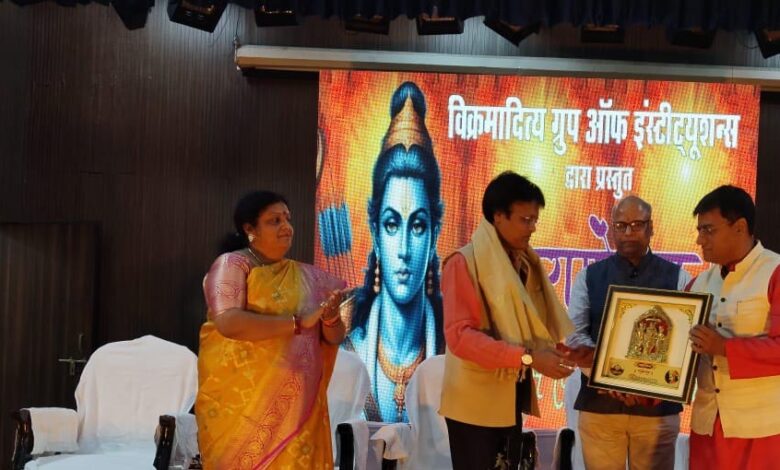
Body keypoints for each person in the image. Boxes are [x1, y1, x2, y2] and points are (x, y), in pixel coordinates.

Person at [196, 190, 348, 469]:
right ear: (250, 229)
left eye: (287, 219)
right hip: (239, 407)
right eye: (274, 221)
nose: (286, 227)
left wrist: (329, 318)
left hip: (296, 408)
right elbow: (227, 322)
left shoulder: (307, 278)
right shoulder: (232, 264)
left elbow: (334, 337)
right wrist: (298, 322)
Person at [439, 171, 575, 470]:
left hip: (508, 395)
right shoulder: (462, 263)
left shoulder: (523, 262)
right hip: (474, 406)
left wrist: (551, 352)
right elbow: (461, 338)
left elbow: (526, 328)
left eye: (535, 220)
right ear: (498, 216)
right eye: (525, 220)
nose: (533, 228)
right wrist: (529, 358)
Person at [565, 195, 690, 470]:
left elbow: (684, 343)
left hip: (657, 413)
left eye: (637, 224)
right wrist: (610, 378)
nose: (628, 232)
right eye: (620, 226)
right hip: (600, 409)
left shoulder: (680, 278)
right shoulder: (588, 276)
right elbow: (574, 335)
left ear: (651, 227)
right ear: (611, 230)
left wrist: (642, 383)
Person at [344, 81, 444, 423]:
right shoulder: (345, 343)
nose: (403, 250)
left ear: (434, 235)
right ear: (374, 232)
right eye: (391, 224)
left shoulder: (452, 347)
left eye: (417, 226)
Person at [687, 185, 780, 469]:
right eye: (699, 230)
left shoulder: (774, 272)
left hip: (762, 428)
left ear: (740, 227)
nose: (700, 240)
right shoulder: (697, 284)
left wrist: (723, 347)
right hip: (707, 426)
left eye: (708, 230)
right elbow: (678, 356)